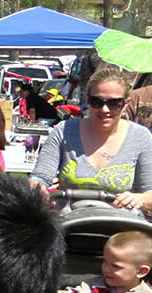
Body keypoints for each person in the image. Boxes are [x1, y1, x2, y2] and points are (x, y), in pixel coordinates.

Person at [31, 68, 152, 212]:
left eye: (114, 103)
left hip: (121, 225)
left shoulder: (141, 137)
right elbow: (40, 177)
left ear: (126, 103)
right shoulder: (64, 131)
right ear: (87, 100)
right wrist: (38, 190)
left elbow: (149, 192)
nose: (105, 109)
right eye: (96, 102)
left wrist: (139, 199)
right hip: (70, 222)